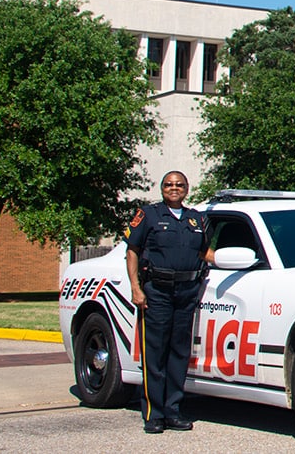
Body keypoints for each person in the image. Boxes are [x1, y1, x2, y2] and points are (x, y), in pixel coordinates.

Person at [125, 170, 212, 433]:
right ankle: (154, 414)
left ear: (187, 188)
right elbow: (132, 251)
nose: (174, 188)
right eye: (169, 185)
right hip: (157, 291)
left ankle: (174, 411)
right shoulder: (149, 215)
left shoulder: (196, 218)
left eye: (179, 185)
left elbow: (204, 252)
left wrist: (234, 259)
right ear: (162, 188)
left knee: (178, 353)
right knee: (155, 353)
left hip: (186, 292)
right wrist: (135, 288)